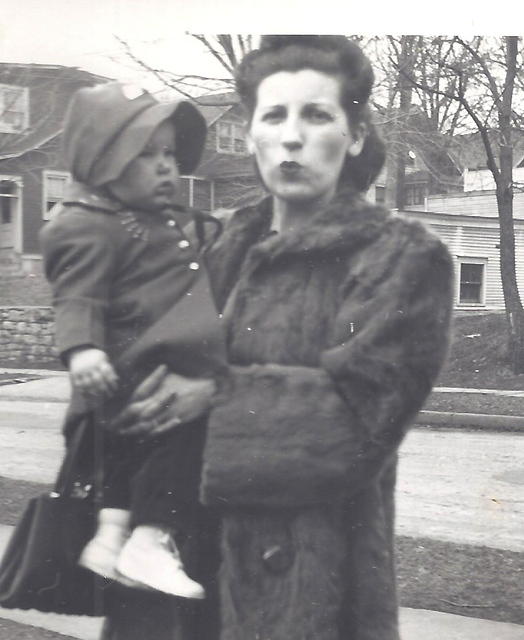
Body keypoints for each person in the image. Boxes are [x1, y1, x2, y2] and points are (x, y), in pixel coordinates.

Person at [102, 35, 454, 640]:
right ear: (252, 133)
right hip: (178, 574)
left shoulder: (402, 257)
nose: (291, 136)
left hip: (303, 592)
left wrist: (206, 397)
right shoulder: (218, 247)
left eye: (317, 115)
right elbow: (151, 373)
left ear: (356, 135)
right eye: (273, 115)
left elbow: (353, 426)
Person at [39, 82, 226, 600]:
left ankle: (110, 536)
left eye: (169, 152)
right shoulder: (92, 227)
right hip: (138, 365)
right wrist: (82, 349)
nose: (166, 165)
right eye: (146, 154)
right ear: (103, 163)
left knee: (133, 455)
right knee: (183, 433)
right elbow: (78, 297)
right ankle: (150, 539)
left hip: (141, 365)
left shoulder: (153, 218)